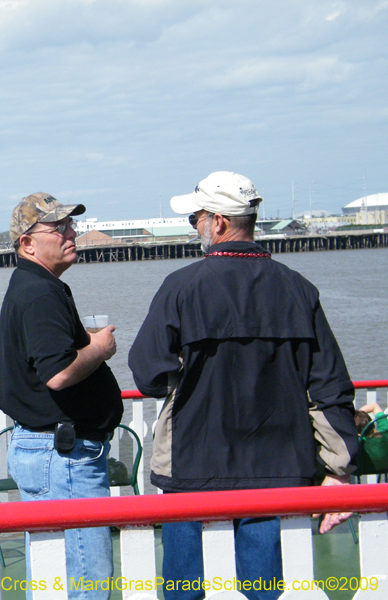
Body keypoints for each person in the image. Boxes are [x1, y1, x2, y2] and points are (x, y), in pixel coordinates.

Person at [127, 172, 358, 600]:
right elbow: (329, 388)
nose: (192, 225)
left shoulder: (182, 287)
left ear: (217, 222)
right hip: (281, 473)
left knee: (187, 591)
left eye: (195, 217)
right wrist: (338, 469)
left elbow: (148, 374)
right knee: (268, 591)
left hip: (194, 469)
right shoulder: (298, 288)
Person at [0, 192, 122, 600]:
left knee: (54, 578)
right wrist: (100, 348)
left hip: (50, 450)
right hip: (63, 456)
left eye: (71, 225)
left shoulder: (36, 287)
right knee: (84, 579)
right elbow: (58, 373)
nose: (72, 234)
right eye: (59, 227)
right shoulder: (39, 292)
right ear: (27, 243)